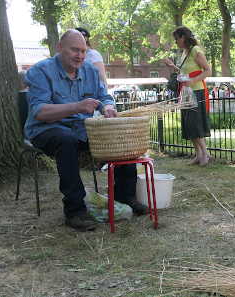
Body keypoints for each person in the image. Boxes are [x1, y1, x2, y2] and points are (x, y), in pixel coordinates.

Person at [24, 29, 148, 231]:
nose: (80, 55)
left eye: (83, 51)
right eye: (74, 50)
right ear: (59, 48)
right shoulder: (40, 71)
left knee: (116, 136)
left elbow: (104, 96)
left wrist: (107, 107)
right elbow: (40, 112)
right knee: (66, 140)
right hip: (45, 130)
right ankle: (75, 211)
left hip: (80, 129)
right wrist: (77, 106)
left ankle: (125, 197)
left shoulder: (90, 70)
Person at [165, 26, 212, 166]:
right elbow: (185, 72)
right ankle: (198, 155)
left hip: (196, 91)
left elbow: (208, 71)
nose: (175, 42)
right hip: (186, 92)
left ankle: (205, 154)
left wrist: (193, 81)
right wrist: (173, 67)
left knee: (195, 123)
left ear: (183, 37)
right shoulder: (185, 52)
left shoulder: (196, 51)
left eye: (177, 39)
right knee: (188, 125)